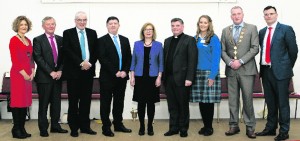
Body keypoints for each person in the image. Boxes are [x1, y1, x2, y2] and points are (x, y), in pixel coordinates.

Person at [255, 6, 298, 141]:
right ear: (264, 16)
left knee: (282, 103)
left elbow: (293, 51)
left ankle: (284, 131)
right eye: (266, 14)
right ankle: (270, 128)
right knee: (270, 102)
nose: (269, 16)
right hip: (266, 71)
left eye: (271, 14)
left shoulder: (286, 29)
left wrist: (285, 67)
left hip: (281, 73)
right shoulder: (262, 32)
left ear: (276, 15)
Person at [221, 6, 259, 139]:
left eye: (238, 14)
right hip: (231, 70)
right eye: (234, 14)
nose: (236, 16)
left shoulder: (252, 28)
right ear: (231, 16)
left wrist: (240, 61)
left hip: (247, 70)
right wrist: (231, 62)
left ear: (243, 14)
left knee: (247, 99)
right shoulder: (225, 30)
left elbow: (255, 48)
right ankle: (233, 125)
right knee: (233, 100)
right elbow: (223, 50)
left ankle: (250, 127)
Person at [62, 11, 98, 137]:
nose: (82, 22)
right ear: (75, 21)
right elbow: (67, 50)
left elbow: (95, 51)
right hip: (73, 74)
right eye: (79, 20)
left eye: (84, 20)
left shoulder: (92, 33)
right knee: (73, 102)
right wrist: (81, 63)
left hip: (88, 73)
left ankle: (85, 127)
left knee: (85, 101)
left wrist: (89, 63)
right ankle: (73, 128)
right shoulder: (68, 33)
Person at [33, 16, 68, 137]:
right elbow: (38, 58)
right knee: (43, 104)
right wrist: (50, 72)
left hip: (58, 77)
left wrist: (60, 71)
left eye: (53, 24)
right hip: (44, 78)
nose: (51, 26)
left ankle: (55, 126)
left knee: (56, 103)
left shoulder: (61, 39)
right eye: (48, 24)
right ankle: (43, 129)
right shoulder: (37, 40)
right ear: (43, 26)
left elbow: (64, 58)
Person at [163, 18, 197, 138]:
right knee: (172, 106)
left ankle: (183, 128)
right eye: (173, 26)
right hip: (168, 79)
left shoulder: (189, 40)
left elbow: (192, 61)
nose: (175, 28)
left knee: (182, 105)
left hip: (183, 79)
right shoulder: (167, 41)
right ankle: (173, 128)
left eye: (177, 25)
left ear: (182, 26)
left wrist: (189, 78)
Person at [98, 16, 132, 137]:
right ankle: (106, 127)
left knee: (119, 102)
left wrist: (125, 71)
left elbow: (129, 57)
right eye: (110, 23)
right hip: (108, 78)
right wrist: (115, 72)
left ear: (119, 25)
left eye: (115, 23)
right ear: (107, 26)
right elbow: (102, 58)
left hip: (122, 77)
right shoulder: (101, 40)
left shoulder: (125, 39)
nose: (113, 25)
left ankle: (118, 124)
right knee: (105, 103)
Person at [130, 22, 163, 136]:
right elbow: (133, 61)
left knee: (151, 104)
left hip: (153, 78)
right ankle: (141, 126)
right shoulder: (137, 44)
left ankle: (150, 126)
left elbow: (161, 63)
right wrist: (132, 77)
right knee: (141, 104)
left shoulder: (158, 45)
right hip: (140, 78)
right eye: (146, 29)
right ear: (142, 32)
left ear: (153, 32)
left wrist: (159, 77)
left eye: (150, 29)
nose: (148, 31)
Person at [190, 15, 221, 136]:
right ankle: (205, 125)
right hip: (197, 73)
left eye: (205, 22)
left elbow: (216, 58)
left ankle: (209, 127)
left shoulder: (213, 38)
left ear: (209, 24)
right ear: (198, 24)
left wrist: (212, 76)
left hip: (209, 73)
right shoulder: (195, 38)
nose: (203, 24)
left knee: (208, 102)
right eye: (201, 22)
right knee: (201, 102)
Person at [9, 15, 35, 139]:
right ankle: (16, 129)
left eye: (25, 24)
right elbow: (15, 60)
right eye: (21, 25)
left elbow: (31, 58)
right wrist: (24, 74)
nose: (24, 26)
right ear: (17, 26)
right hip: (18, 76)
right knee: (17, 102)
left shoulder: (28, 40)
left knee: (25, 102)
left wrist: (33, 71)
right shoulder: (14, 40)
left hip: (28, 77)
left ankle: (22, 128)